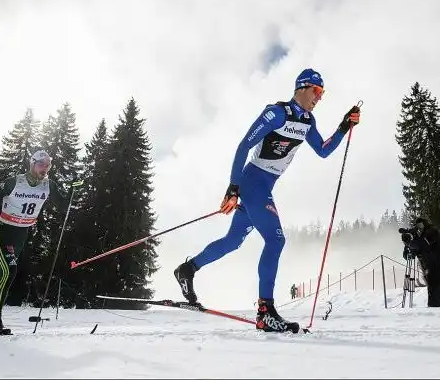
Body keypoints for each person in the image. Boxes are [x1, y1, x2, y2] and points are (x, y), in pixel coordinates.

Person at [174, 68, 361, 333]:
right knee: (276, 240)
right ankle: (266, 311)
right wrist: (233, 188)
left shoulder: (308, 121)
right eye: (317, 91)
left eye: (322, 93)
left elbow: (322, 150)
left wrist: (344, 126)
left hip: (265, 186)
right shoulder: (276, 113)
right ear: (302, 88)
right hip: (252, 184)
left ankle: (187, 269)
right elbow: (243, 146)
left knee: (233, 241)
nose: (319, 97)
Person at [0, 150, 70, 336]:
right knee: (8, 272)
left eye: (48, 165)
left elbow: (64, 205)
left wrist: (74, 190)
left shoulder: (48, 185)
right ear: (32, 163)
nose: (45, 168)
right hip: (2, 231)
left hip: (22, 234)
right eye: (41, 164)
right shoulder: (14, 182)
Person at [400, 217, 440, 307]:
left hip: (436, 264)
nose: (419, 227)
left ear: (425, 224)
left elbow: (425, 245)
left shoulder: (432, 231)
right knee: (432, 289)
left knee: (435, 289)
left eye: (421, 225)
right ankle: (433, 310)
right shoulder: (417, 235)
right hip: (428, 266)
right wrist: (407, 246)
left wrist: (410, 243)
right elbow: (410, 253)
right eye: (417, 225)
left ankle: (435, 310)